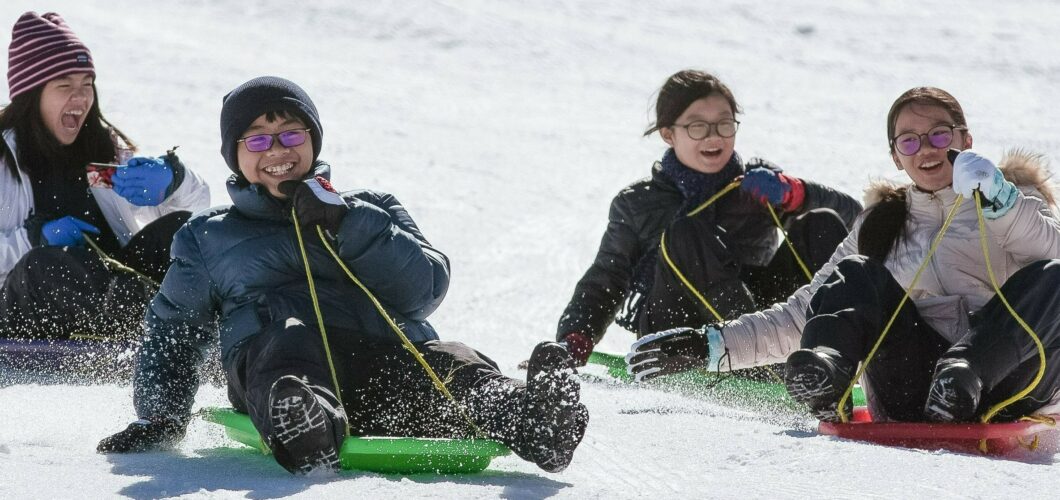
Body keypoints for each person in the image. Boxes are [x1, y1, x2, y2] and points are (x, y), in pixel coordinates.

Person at [96, 76, 589, 474]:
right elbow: (174, 330)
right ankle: (306, 425)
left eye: (291, 133)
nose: (277, 150)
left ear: (312, 139)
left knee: (452, 359)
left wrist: (348, 222)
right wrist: (159, 416)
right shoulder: (208, 236)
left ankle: (535, 420)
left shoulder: (372, 209)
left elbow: (425, 291)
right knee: (286, 340)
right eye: (258, 139)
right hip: (278, 377)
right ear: (235, 154)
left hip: (382, 371)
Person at [628, 86, 1060, 424]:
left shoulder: (1010, 202)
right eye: (909, 142)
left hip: (1008, 385)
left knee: (1054, 274)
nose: (926, 149)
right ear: (895, 156)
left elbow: (1050, 262)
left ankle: (965, 370)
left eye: (940, 135)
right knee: (856, 274)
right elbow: (804, 311)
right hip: (913, 387)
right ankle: (825, 374)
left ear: (966, 140)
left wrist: (999, 198)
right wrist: (710, 345)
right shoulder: (882, 223)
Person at [555, 69, 862, 366]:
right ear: (668, 134)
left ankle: (825, 358)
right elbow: (605, 279)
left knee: (820, 223)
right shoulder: (638, 203)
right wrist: (574, 338)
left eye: (724, 124)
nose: (714, 137)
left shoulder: (754, 183)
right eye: (697, 126)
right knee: (685, 234)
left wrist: (795, 194)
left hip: (759, 323)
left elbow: (855, 228)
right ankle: (759, 361)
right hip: (674, 332)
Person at [0, 12, 210, 342]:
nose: (81, 98)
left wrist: (174, 181)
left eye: (87, 84)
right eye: (64, 85)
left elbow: (200, 215)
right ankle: (169, 331)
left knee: (180, 230)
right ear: (32, 94)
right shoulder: (5, 160)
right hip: (26, 301)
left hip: (115, 290)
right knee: (42, 267)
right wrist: (33, 237)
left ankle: (192, 322)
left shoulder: (102, 153)